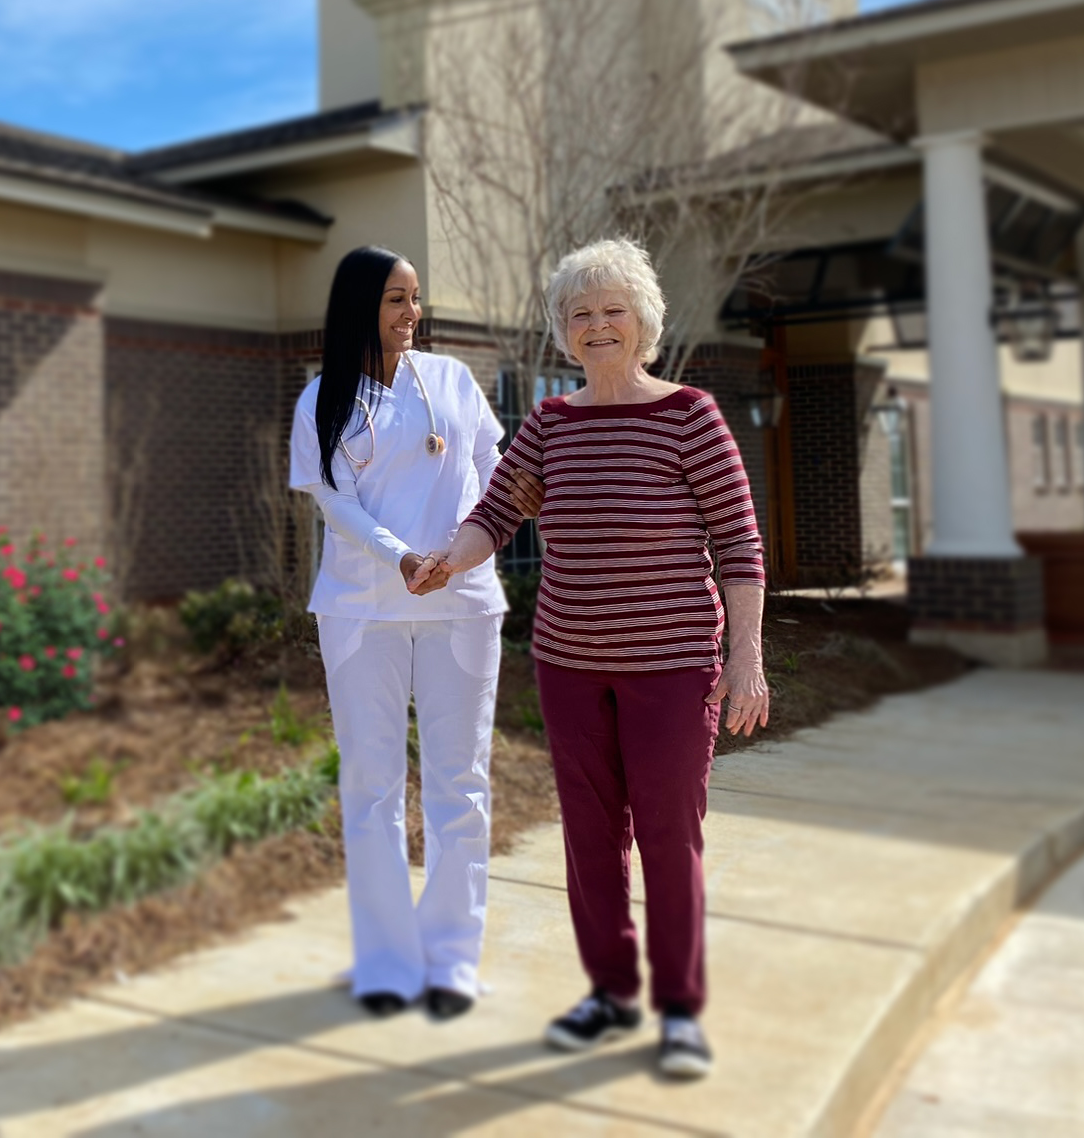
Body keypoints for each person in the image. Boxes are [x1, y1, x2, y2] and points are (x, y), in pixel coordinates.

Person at [409, 237, 768, 1078]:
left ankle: (679, 1008)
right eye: (581, 314)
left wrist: (745, 660)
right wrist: (444, 561)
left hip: (674, 667)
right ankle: (610, 992)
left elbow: (741, 546)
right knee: (590, 835)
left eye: (613, 311)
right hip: (570, 664)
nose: (598, 325)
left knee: (670, 835)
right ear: (564, 333)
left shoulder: (690, 415)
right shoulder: (550, 423)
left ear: (643, 322)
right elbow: (494, 515)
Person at [289, 244, 541, 1021]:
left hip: (461, 606)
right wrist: (402, 559)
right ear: (360, 306)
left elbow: (499, 477)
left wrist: (463, 550)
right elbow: (336, 502)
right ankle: (389, 964)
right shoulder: (322, 399)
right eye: (397, 299)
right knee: (371, 788)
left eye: (416, 298)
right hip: (363, 611)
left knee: (460, 782)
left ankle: (452, 961)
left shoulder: (455, 383)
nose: (413, 313)